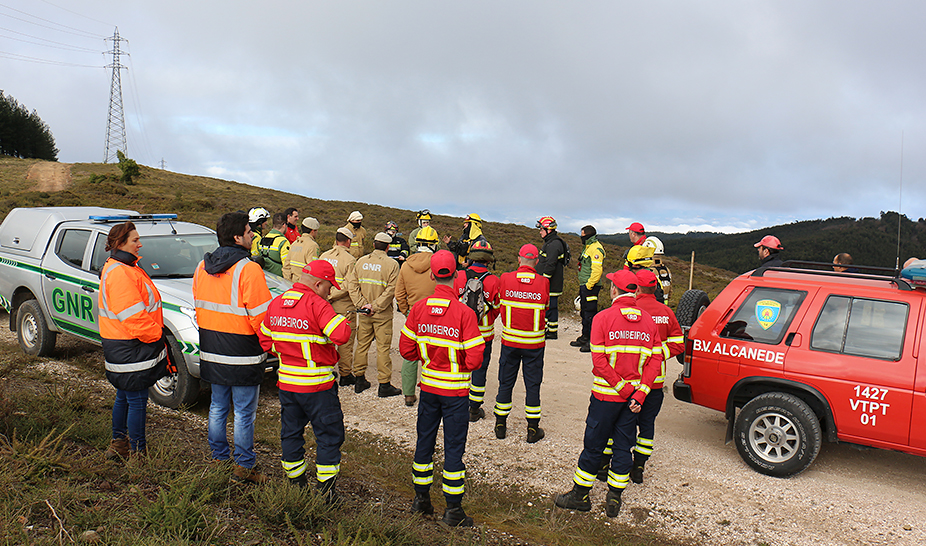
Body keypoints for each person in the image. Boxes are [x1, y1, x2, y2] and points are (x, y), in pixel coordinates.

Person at [553, 270, 661, 518]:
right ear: (634, 292)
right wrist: (640, 393)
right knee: (624, 446)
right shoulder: (649, 321)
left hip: (606, 396)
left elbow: (599, 361)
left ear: (614, 290)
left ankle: (580, 496)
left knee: (594, 445)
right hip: (633, 399)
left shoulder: (602, 318)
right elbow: (655, 361)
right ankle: (614, 498)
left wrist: (621, 388)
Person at [399, 250, 485, 528]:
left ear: (433, 275)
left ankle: (420, 500)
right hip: (456, 393)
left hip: (429, 390)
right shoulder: (465, 313)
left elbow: (406, 350)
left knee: (424, 441)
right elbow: (474, 360)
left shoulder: (419, 308)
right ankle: (453, 510)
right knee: (453, 448)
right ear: (457, 276)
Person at [258, 260, 351, 501]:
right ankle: (326, 494)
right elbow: (340, 335)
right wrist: (340, 319)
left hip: (288, 384)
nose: (330, 291)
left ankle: (296, 486)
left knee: (290, 434)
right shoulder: (317, 305)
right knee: (329, 436)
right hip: (318, 386)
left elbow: (265, 339)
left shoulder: (277, 303)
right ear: (318, 283)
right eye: (329, 286)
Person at [193, 212, 273, 484]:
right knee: (243, 412)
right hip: (243, 353)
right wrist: (270, 346)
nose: (253, 235)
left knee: (217, 407)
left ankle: (218, 458)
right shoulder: (249, 269)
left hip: (211, 349)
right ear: (238, 237)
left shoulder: (201, 267)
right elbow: (261, 318)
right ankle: (244, 466)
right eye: (250, 231)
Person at [597, 269, 683, 484]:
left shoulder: (633, 310)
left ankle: (606, 465)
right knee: (647, 426)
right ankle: (638, 468)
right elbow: (679, 343)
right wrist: (658, 355)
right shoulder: (666, 312)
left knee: (616, 424)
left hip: (629, 382)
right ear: (655, 287)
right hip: (654, 383)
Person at [99, 221, 170, 458]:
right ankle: (138, 451)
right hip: (131, 345)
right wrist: (157, 335)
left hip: (123, 343)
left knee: (125, 395)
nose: (140, 244)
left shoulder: (123, 266)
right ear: (121, 243)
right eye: (135, 240)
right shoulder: (120, 272)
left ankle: (119, 443)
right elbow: (133, 317)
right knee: (137, 398)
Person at [493, 244, 550, 443]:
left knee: (505, 382)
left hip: (510, 342)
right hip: (534, 345)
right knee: (533, 385)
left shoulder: (505, 278)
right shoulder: (543, 282)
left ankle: (500, 425)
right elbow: (546, 306)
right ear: (536, 261)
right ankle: (532, 430)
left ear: (519, 259)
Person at [453, 239, 500, 422]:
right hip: (483, 335)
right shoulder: (494, 281)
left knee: (459, 366)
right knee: (480, 369)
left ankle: (457, 402)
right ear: (489, 260)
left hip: (460, 333)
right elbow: (497, 308)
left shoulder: (460, 276)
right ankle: (473, 409)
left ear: (471, 257)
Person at [350, 232, 401, 397]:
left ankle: (359, 380)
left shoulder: (361, 261)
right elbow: (391, 290)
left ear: (373, 245)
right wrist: (376, 306)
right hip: (382, 315)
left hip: (364, 313)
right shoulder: (392, 264)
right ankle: (384, 385)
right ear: (388, 247)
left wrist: (362, 305)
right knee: (383, 348)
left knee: (362, 345)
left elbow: (352, 285)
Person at [395, 226, 440, 406]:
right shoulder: (438, 265)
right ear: (434, 245)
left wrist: (407, 312)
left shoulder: (406, 265)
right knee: (435, 355)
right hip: (436, 316)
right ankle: (434, 393)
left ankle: (408, 394)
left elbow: (399, 294)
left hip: (413, 316)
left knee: (410, 355)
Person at [319, 227, 359, 386]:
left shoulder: (324, 256)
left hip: (324, 305)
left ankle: (326, 368)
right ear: (348, 241)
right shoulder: (350, 260)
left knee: (325, 339)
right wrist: (332, 294)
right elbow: (348, 286)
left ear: (336, 240)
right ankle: (345, 373)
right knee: (345, 341)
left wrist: (325, 296)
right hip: (343, 306)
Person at [571, 225, 605, 353]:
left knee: (590, 313)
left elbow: (597, 270)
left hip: (591, 286)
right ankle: (585, 337)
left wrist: (589, 285)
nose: (581, 237)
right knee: (584, 312)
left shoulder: (596, 248)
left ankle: (592, 341)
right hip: (585, 285)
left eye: (583, 235)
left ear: (588, 235)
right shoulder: (588, 247)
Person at [536, 216, 568, 340]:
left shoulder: (554, 244)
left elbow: (550, 264)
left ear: (548, 230)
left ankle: (552, 331)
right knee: (548, 306)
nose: (540, 232)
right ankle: (547, 328)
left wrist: (544, 279)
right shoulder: (551, 242)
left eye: (542, 229)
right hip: (550, 282)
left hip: (551, 283)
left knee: (551, 306)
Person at [283, 217, 320, 282]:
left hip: (291, 284)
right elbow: (313, 270)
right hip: (304, 285)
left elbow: (286, 267)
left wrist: (289, 282)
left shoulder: (295, 243)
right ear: (312, 231)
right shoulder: (313, 246)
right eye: (316, 230)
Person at [256, 212, 291, 277]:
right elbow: (287, 266)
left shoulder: (262, 239)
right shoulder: (283, 242)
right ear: (284, 225)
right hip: (279, 281)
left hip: (265, 278)